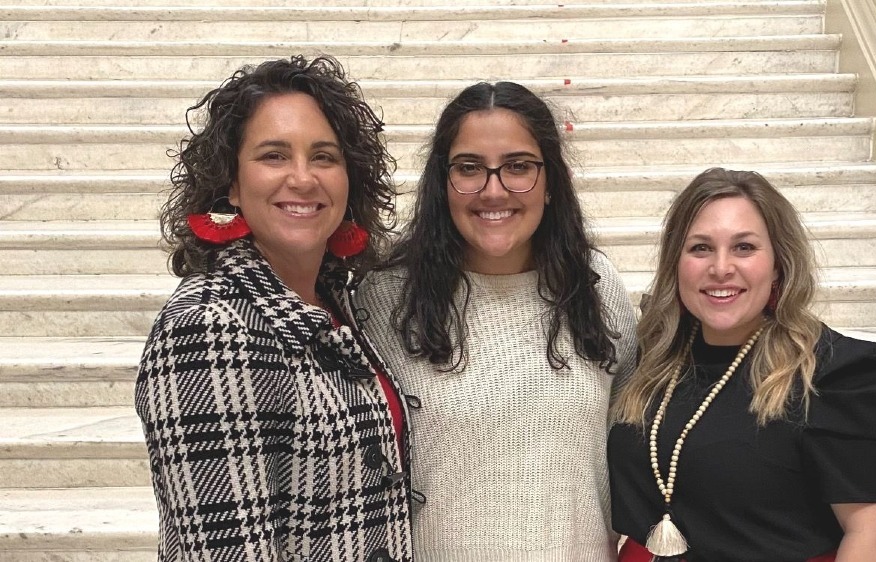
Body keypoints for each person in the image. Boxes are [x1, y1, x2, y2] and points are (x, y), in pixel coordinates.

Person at [134, 55, 413, 561]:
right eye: (273, 156)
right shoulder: (208, 328)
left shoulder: (339, 304)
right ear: (232, 184)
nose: (303, 179)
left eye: (324, 157)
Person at [356, 81, 638, 561]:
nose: (493, 190)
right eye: (469, 168)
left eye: (518, 167)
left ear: (551, 183)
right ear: (442, 182)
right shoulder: (384, 299)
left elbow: (626, 440)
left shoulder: (595, 286)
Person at [607, 168, 876, 562]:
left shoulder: (835, 376)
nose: (720, 268)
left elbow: (870, 532)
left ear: (778, 264)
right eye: (700, 248)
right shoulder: (654, 361)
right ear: (676, 264)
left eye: (744, 248)